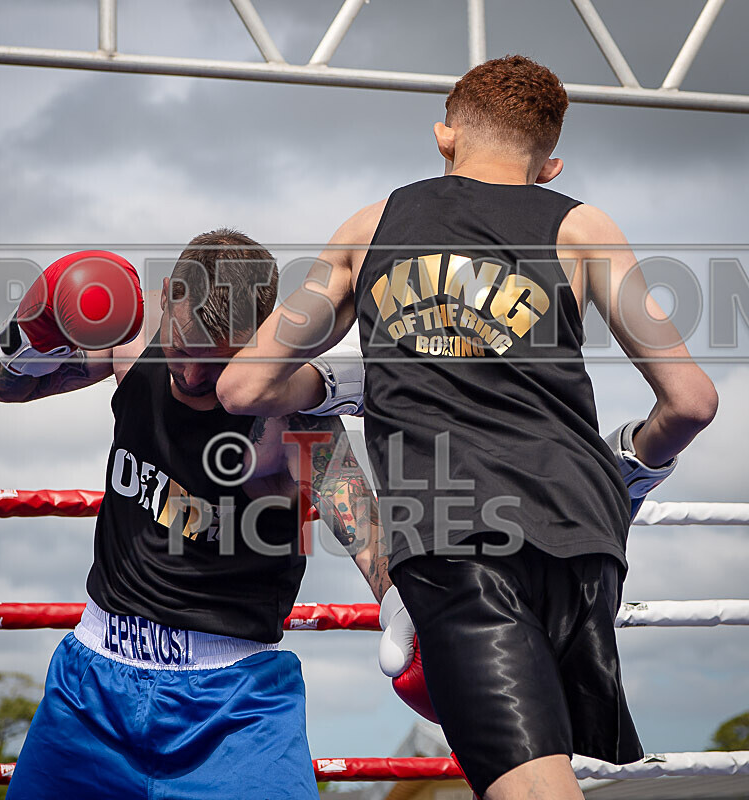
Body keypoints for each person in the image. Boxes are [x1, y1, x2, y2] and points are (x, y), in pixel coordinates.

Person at [216, 56, 719, 799]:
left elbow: (244, 385)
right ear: (549, 165)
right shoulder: (583, 225)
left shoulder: (373, 225)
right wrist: (634, 467)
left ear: (444, 135)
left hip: (458, 542)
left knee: (529, 789)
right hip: (584, 542)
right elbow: (691, 401)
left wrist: (341, 379)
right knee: (552, 776)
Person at [0, 232, 388, 800]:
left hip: (233, 708)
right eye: (184, 348)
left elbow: (362, 524)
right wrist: (26, 340)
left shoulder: (286, 409)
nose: (193, 377)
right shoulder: (129, 336)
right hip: (91, 688)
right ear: (169, 295)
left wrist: (407, 609)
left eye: (217, 360)